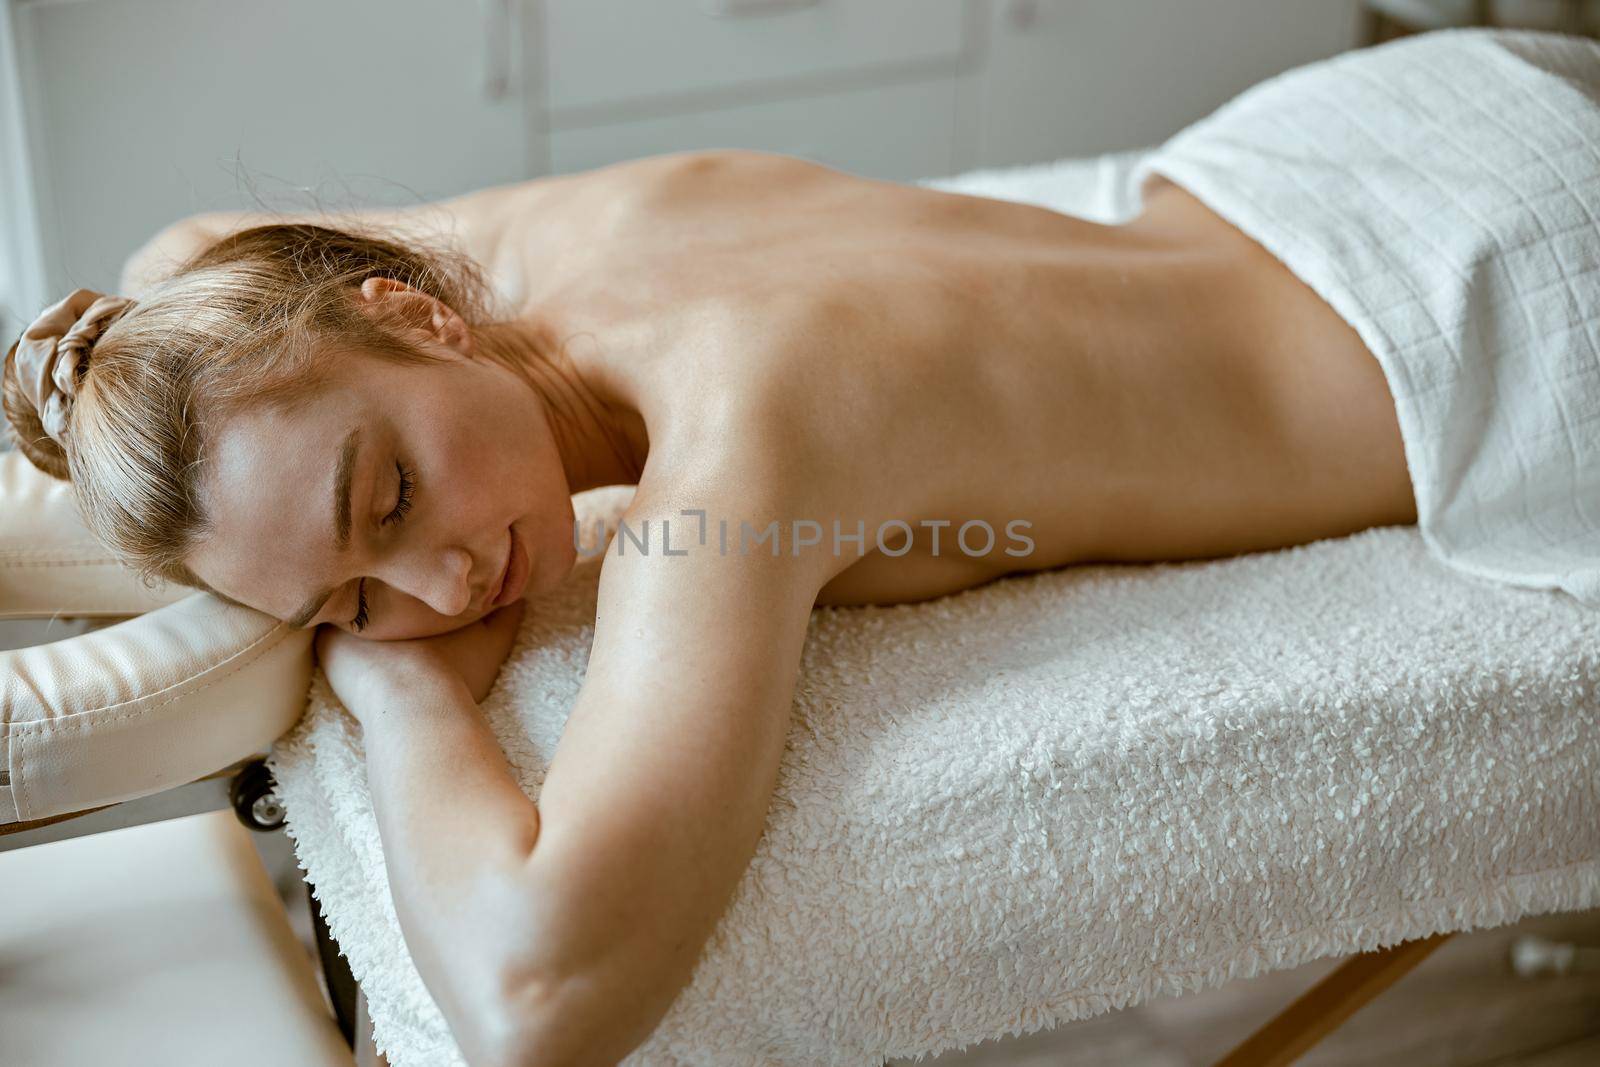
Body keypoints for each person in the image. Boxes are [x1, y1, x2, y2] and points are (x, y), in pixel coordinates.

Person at [9, 25, 1592, 1066]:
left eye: (392, 498)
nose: (429, 593)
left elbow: (539, 998)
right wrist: (146, 398)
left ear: (412, 316)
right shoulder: (556, 242)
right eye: (348, 599)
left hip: (1499, 321)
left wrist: (400, 697)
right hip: (1376, 135)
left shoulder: (747, 434)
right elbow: (184, 262)